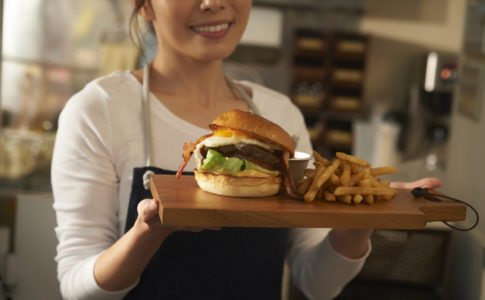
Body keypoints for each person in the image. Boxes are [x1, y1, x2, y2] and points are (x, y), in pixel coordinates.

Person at [51, 1, 442, 299]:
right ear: (146, 4)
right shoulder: (99, 110)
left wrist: (358, 221)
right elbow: (76, 285)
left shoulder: (280, 115)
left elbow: (316, 282)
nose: (213, 2)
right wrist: (147, 234)